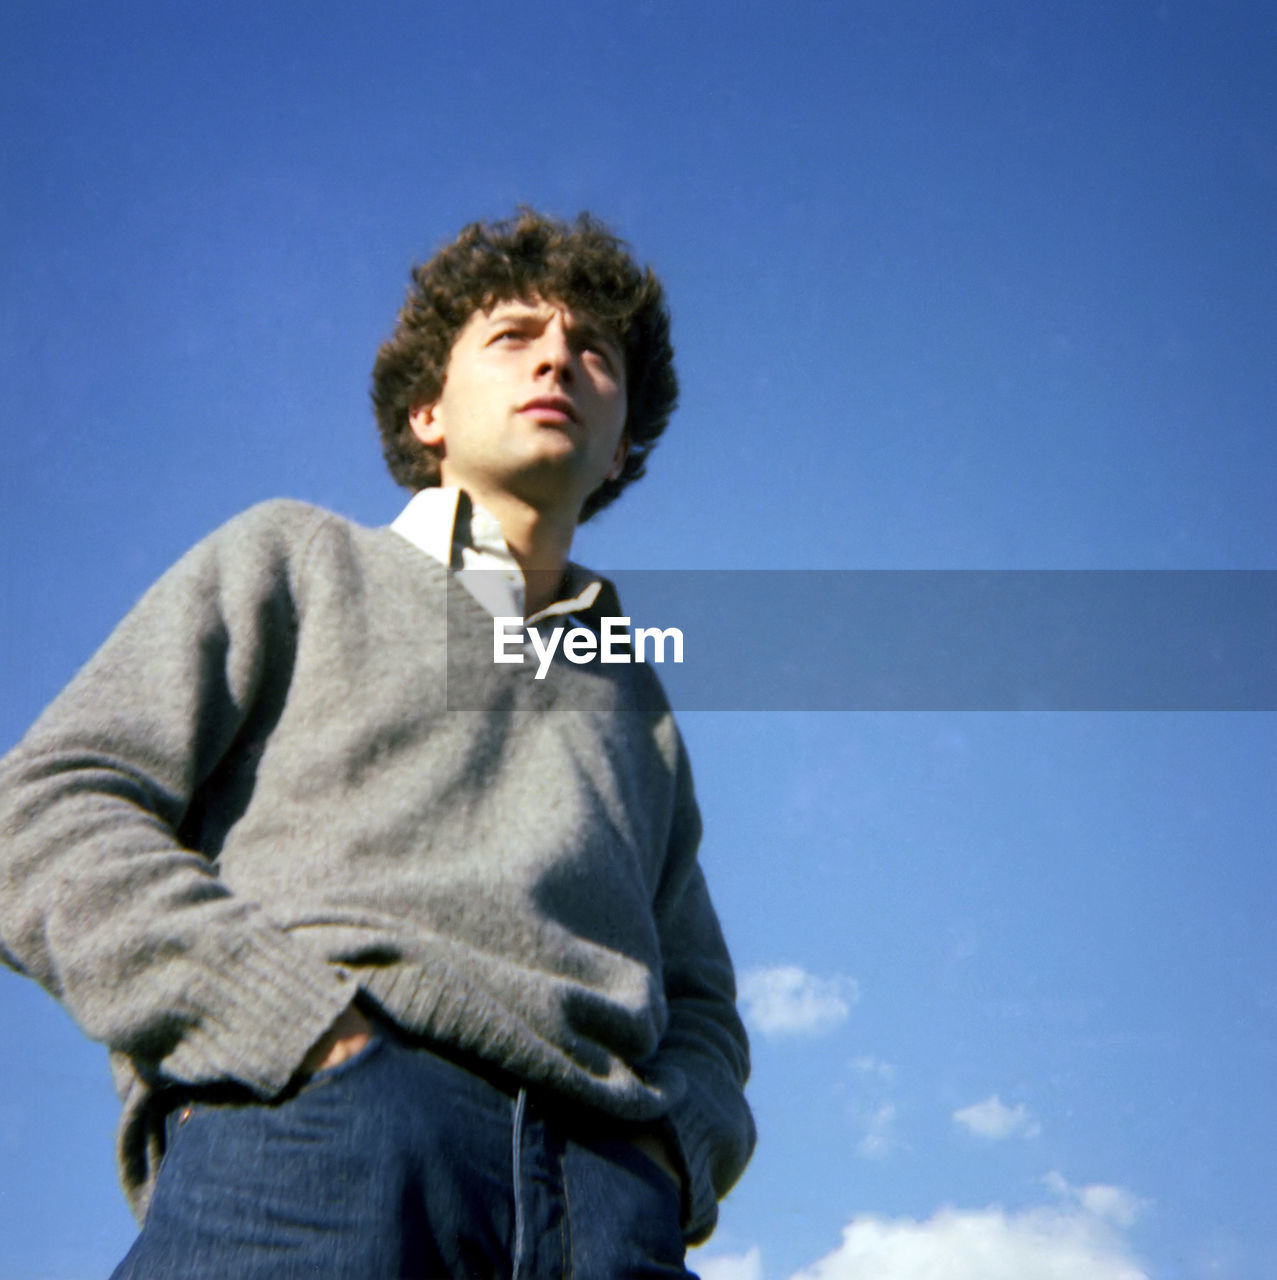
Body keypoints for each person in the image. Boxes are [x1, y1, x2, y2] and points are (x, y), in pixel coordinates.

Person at [0, 210, 754, 1277]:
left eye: (595, 352)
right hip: (324, 1139)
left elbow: (701, 1000)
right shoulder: (294, 559)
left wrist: (666, 1154)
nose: (557, 357)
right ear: (427, 408)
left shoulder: (633, 701)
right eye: (513, 335)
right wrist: (292, 1025)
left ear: (622, 440)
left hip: (606, 1206)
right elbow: (43, 805)